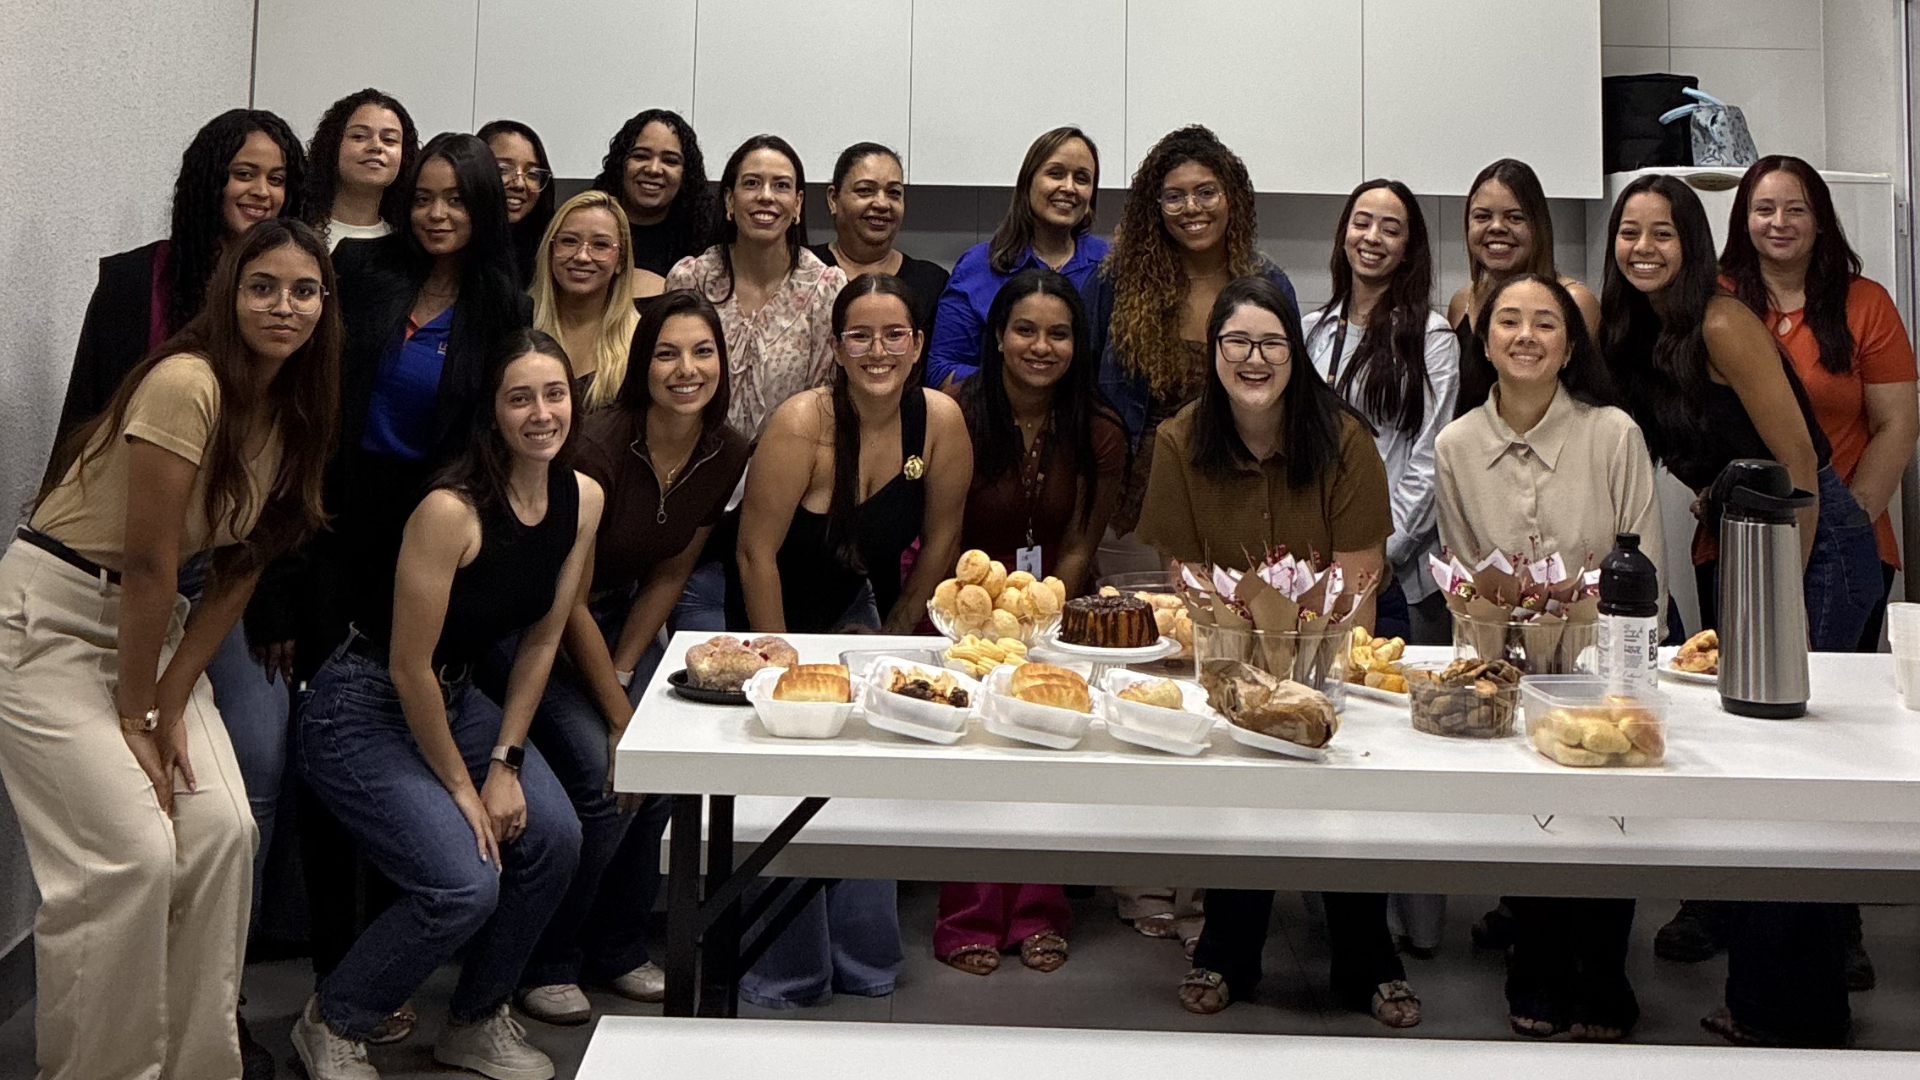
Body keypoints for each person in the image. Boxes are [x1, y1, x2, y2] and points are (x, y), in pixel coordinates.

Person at [0, 218, 340, 1080]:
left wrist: (173, 694)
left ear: (324, 308)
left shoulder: (297, 407)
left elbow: (243, 565)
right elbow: (152, 560)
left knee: (223, 834)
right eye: (262, 287)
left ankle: (197, 1067)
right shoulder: (187, 382)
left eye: (304, 291)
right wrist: (137, 716)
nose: (284, 306)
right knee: (131, 860)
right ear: (229, 295)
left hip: (155, 633)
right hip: (54, 621)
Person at [1601, 172, 1875, 1049]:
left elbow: (1796, 466)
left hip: (1809, 547)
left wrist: (1782, 609)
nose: (1643, 248)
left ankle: (1793, 1008)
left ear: (1693, 245)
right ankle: (1773, 989)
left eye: (1663, 233)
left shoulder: (1722, 322)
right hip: (1744, 546)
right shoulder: (1636, 335)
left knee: (1796, 779)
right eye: (1629, 232)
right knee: (1758, 768)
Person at [291, 329, 596, 1080]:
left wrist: (506, 764)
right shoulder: (449, 510)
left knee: (556, 837)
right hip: (361, 705)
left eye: (554, 394)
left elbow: (542, 639)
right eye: (519, 398)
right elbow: (407, 666)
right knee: (464, 883)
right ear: (492, 411)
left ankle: (474, 1020)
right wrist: (466, 788)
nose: (541, 414)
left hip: (455, 696)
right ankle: (334, 1017)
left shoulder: (582, 498)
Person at [290, 132, 531, 1037]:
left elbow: (490, 445)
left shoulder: (503, 304)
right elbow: (312, 406)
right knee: (333, 757)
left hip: (432, 534)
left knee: (405, 750)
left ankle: (388, 971)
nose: (436, 213)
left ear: (483, 208)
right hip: (335, 530)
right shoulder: (362, 274)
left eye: (456, 199)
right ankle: (332, 965)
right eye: (424, 195)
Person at [1137, 276, 1417, 1029]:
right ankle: (1228, 952)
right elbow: (1190, 584)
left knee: (1343, 790)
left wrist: (1316, 678)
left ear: (1297, 352)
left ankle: (1367, 958)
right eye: (1237, 342)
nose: (1254, 359)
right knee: (1244, 787)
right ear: (1214, 352)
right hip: (1231, 658)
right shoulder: (1179, 441)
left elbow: (1358, 584)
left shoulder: (1346, 440)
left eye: (1272, 343)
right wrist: (1246, 680)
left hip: (1331, 653)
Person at [511, 291, 750, 1024]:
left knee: (660, 777)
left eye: (702, 352)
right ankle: (547, 961)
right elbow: (568, 599)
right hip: (542, 622)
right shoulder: (598, 447)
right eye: (667, 353)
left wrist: (623, 668)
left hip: (624, 621)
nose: (686, 369)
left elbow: (671, 573)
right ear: (642, 363)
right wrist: (621, 714)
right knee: (607, 777)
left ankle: (617, 949)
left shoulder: (728, 449)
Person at [1436, 273, 1663, 1041]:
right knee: (1531, 820)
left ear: (1570, 348)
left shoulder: (1615, 434)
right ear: (1484, 340)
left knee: (1608, 817)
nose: (1526, 335)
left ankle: (1605, 972)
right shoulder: (1457, 446)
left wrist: (1623, 673)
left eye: (1545, 323)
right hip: (1513, 671)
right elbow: (1466, 581)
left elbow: (1647, 569)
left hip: (1607, 664)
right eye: (1508, 321)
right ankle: (1534, 963)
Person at [731, 273, 966, 1008]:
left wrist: (893, 633)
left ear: (918, 344)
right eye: (859, 336)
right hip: (768, 612)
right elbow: (754, 554)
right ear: (835, 348)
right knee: (786, 785)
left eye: (894, 334)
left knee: (867, 776)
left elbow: (943, 537)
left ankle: (865, 957)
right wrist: (783, 666)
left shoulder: (940, 422)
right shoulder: (801, 424)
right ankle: (786, 970)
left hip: (852, 607)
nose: (878, 350)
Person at [1085, 125, 1294, 942]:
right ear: (1152, 205)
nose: (1191, 207)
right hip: (1137, 509)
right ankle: (1141, 883)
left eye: (1206, 191)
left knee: (1223, 688)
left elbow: (1285, 396)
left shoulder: (1266, 282)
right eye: (1173, 195)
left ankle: (1206, 885)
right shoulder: (1116, 282)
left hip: (1238, 508)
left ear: (1233, 197)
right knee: (1138, 686)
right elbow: (1091, 398)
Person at [934, 269, 1124, 976]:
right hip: (959, 605)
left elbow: (1080, 541)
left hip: (1054, 612)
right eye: (1025, 330)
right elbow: (939, 523)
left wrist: (1035, 623)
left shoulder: (1100, 429)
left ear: (1079, 344)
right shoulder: (954, 411)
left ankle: (1040, 911)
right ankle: (968, 916)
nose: (1041, 347)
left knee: (1047, 744)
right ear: (997, 336)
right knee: (978, 755)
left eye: (1059, 334)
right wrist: (979, 622)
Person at [1720, 155, 1917, 654]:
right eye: (1764, 209)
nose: (1779, 222)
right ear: (1744, 219)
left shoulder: (1866, 303)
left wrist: (1852, 515)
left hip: (1846, 540)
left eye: (1797, 210)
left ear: (1821, 220)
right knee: (1737, 680)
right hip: (1741, 534)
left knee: (1835, 691)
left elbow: (1898, 423)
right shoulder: (1718, 302)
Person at [56, 107, 306, 450]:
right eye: (244, 174)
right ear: (209, 180)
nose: (262, 191)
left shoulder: (297, 292)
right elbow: (87, 405)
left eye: (276, 180)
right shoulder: (134, 279)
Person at [1304, 178, 1457, 647]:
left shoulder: (1432, 338)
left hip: (1400, 575)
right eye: (1362, 223)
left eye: (1390, 229)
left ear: (1408, 249)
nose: (1372, 237)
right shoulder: (1311, 331)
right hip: (1316, 565)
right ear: (1343, 234)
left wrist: (1380, 553)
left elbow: (1431, 458)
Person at [666, 134, 847, 440]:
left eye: (781, 185)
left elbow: (824, 404)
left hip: (793, 458)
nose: (766, 196)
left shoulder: (826, 289)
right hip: (695, 456)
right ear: (729, 200)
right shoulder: (690, 279)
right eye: (751, 183)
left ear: (797, 204)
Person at [926, 126, 1105, 389]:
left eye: (1081, 178)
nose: (1069, 188)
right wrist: (1018, 390)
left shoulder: (1111, 266)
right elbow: (941, 369)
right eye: (1055, 174)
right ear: (1027, 182)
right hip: (992, 413)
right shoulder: (979, 265)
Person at [1447, 159, 1601, 418]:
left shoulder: (1575, 301)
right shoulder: (1462, 302)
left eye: (1514, 217)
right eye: (1482, 216)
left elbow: (1584, 402)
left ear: (1538, 224)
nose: (1497, 227)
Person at [809, 141, 950, 337]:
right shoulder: (802, 269)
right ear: (834, 199)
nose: (882, 204)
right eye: (865, 190)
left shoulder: (931, 283)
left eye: (894, 193)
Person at [530, 190, 643, 408]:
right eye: (569, 241)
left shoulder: (642, 339)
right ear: (550, 250)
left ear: (621, 261)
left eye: (600, 245)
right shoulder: (517, 322)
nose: (582, 256)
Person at [592, 108, 719, 282]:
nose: (653, 169)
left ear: (686, 174)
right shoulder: (586, 222)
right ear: (621, 164)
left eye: (670, 160)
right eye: (641, 156)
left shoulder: (706, 237)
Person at [304, 89, 417, 252]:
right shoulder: (297, 235)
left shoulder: (412, 245)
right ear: (332, 146)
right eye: (359, 136)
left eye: (389, 140)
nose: (376, 146)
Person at [479, 119, 559, 287]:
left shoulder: (552, 252)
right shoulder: (449, 244)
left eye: (532, 174)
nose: (519, 184)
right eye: (503, 169)